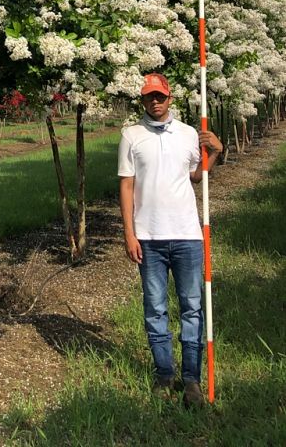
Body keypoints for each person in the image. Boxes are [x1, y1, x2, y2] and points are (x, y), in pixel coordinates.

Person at [118, 72, 223, 407]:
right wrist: (129, 233)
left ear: (170, 98)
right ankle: (165, 373)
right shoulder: (131, 136)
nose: (155, 102)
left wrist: (216, 152)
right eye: (150, 96)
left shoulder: (190, 134)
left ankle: (191, 379)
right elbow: (126, 186)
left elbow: (196, 175)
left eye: (160, 96)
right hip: (148, 238)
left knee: (192, 307)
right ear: (143, 100)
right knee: (155, 308)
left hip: (187, 236)